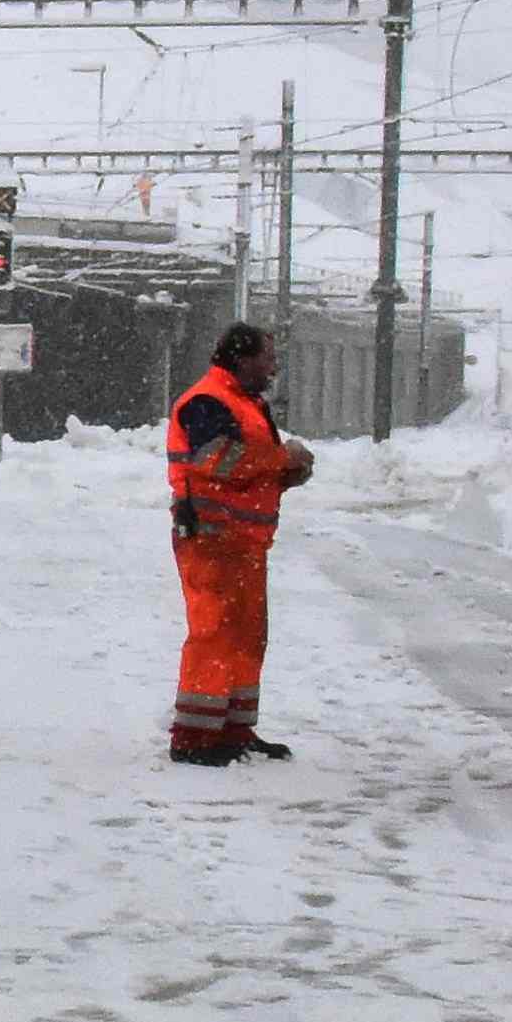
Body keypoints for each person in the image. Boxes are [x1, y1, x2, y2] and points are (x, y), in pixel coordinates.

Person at [161, 323, 315, 763]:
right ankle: (193, 737)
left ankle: (234, 730)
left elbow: (249, 471)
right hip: (210, 540)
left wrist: (288, 473)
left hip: (244, 542)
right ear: (242, 359)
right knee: (214, 634)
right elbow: (219, 461)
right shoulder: (207, 401)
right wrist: (283, 458)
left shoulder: (248, 405)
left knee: (247, 636)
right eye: (268, 358)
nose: (274, 367)